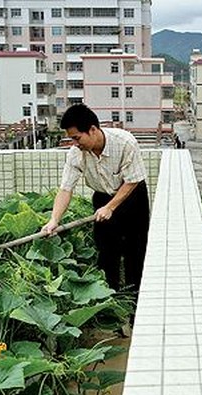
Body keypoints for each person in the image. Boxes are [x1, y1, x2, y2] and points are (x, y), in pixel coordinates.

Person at [41, 104, 150, 298]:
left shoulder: (125, 142)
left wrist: (111, 207)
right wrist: (54, 220)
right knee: (107, 252)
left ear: (92, 129)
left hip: (132, 197)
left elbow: (133, 180)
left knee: (136, 250)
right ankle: (111, 300)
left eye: (77, 137)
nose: (75, 143)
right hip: (102, 198)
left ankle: (136, 299)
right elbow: (66, 188)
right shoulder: (76, 154)